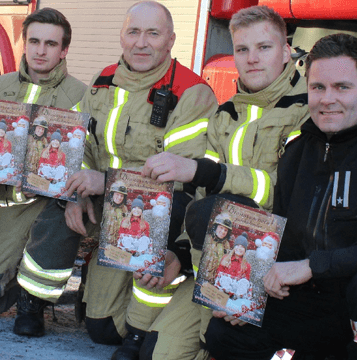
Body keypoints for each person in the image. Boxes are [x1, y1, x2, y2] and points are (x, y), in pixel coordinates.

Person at [205, 33, 357, 360]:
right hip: (325, 302)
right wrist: (251, 290)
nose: (327, 99)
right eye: (318, 88)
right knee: (226, 333)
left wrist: (314, 266)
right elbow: (289, 240)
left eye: (342, 87)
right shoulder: (297, 150)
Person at [133, 6, 310, 359]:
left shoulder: (308, 109)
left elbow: (286, 194)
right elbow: (200, 199)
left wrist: (211, 173)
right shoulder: (226, 113)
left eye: (264, 47)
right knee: (158, 353)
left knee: (216, 212)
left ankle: (221, 338)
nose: (252, 59)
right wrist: (179, 254)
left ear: (287, 50)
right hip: (215, 257)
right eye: (242, 50)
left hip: (275, 263)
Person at [62, 2, 218, 359]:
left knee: (109, 331)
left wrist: (105, 182)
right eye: (134, 32)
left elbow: (179, 184)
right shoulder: (102, 82)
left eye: (153, 34)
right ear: (121, 36)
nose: (141, 43)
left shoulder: (191, 93)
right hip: (107, 210)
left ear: (171, 41)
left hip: (158, 217)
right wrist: (75, 194)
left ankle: (143, 328)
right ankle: (103, 282)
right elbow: (79, 144)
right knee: (100, 328)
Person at [0, 7, 87, 338]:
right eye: (34, 41)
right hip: (2, 208)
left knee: (58, 214)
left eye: (51, 44)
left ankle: (33, 303)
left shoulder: (82, 97)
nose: (41, 50)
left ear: (64, 50)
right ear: (24, 43)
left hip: (48, 206)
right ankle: (18, 269)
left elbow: (90, 158)